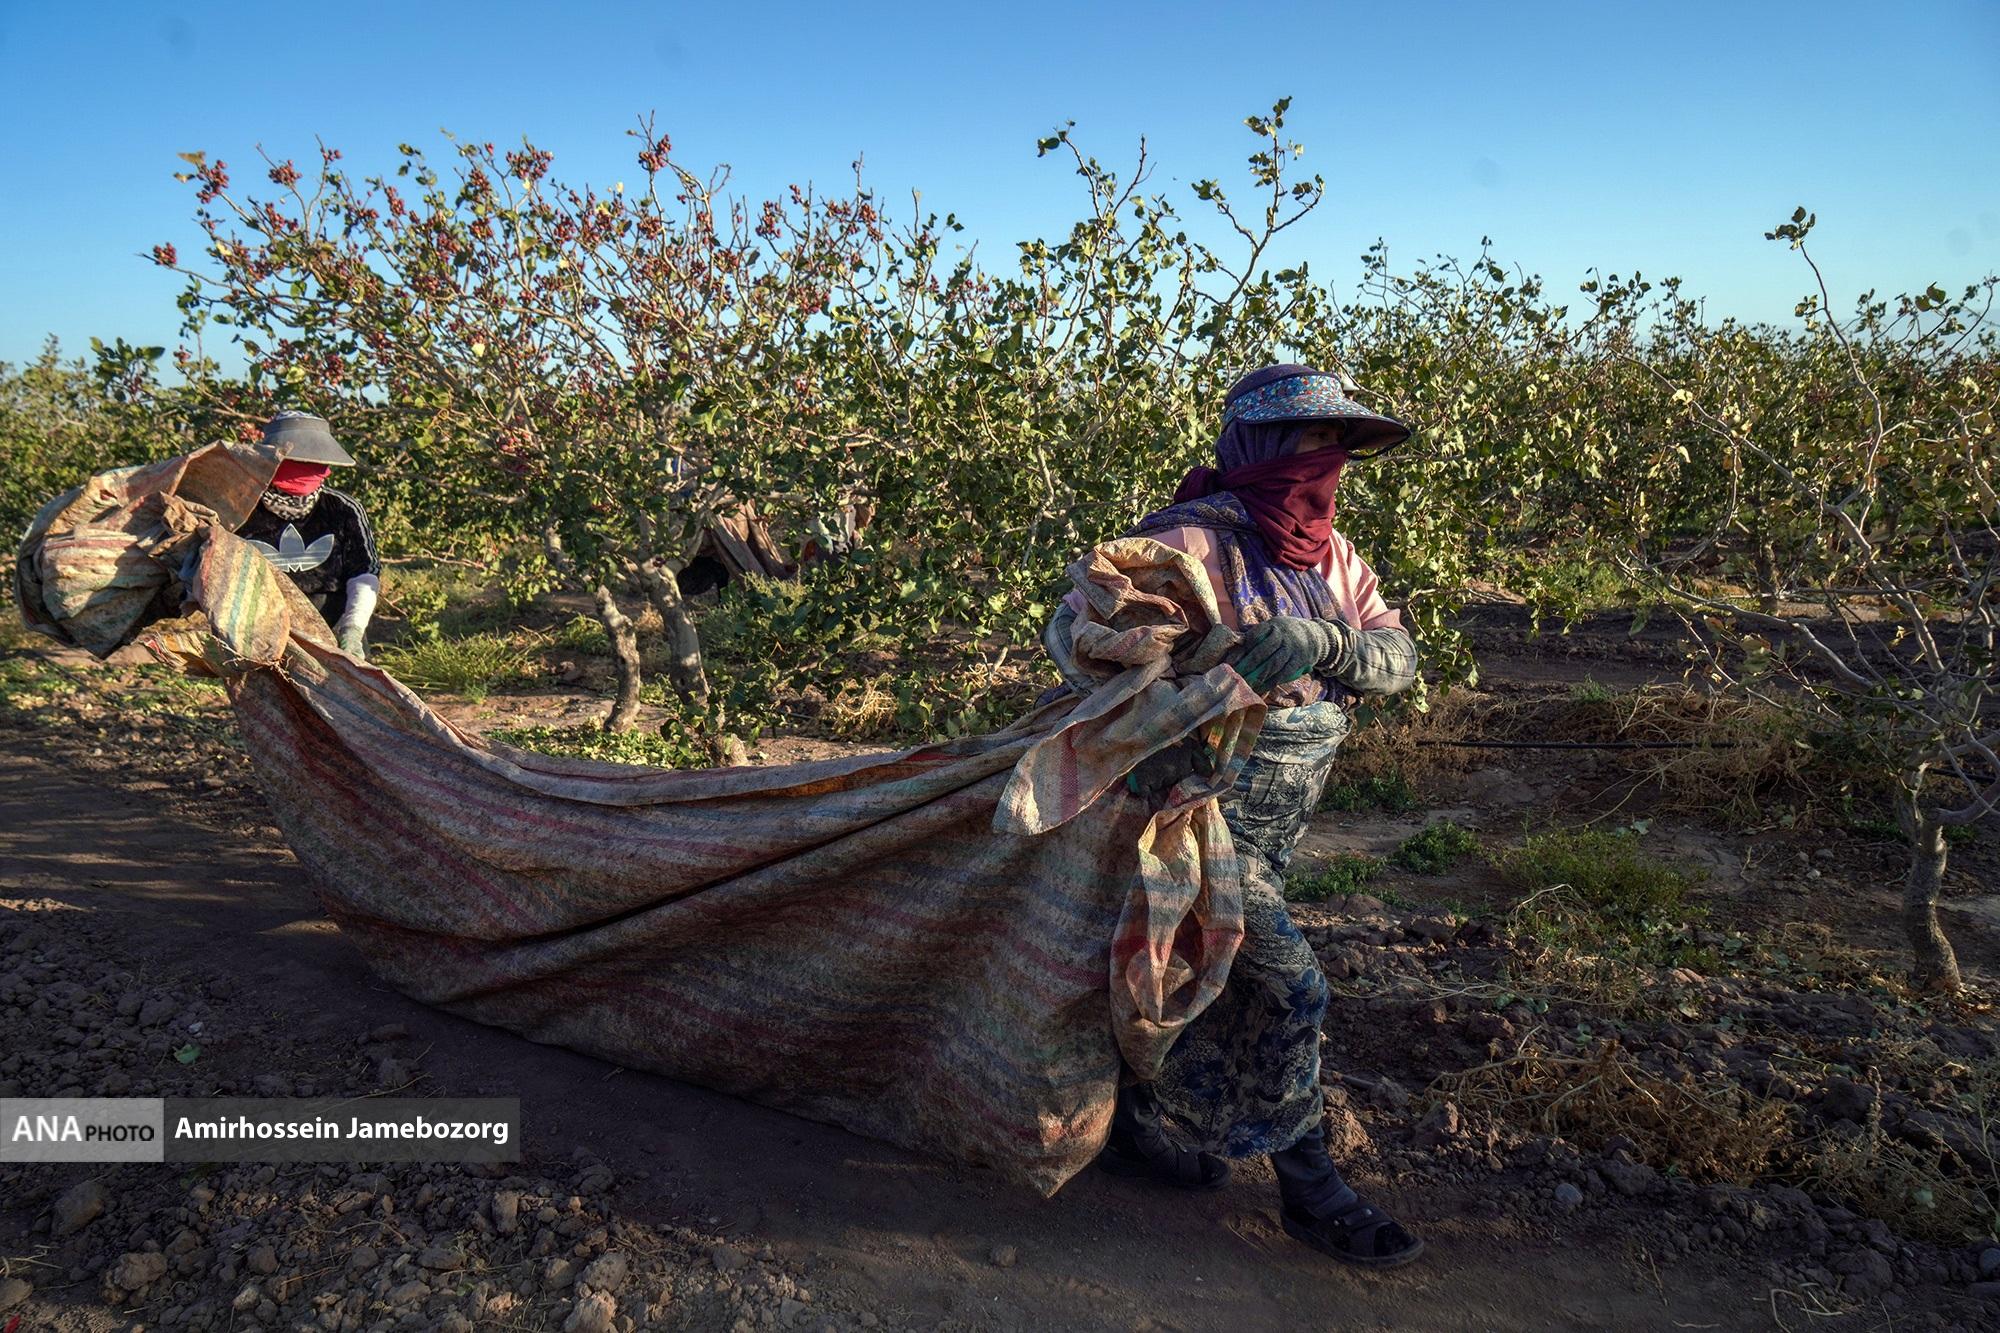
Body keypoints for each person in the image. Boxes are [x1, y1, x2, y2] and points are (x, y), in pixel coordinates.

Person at [1042, 364, 1425, 1268]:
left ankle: (1139, 1127)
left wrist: (1327, 642)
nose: (1324, 465)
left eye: (1336, 447)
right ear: (1258, 447)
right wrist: (1170, 678)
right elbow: (1075, 635)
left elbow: (1399, 656)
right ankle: (1312, 1191)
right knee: (1292, 986)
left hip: (1279, 825)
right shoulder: (1182, 541)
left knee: (1199, 974)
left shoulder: (1331, 558)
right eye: (1309, 442)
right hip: (1195, 819)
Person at [237, 410, 380, 658]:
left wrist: (352, 630)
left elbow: (364, 573)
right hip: (262, 631)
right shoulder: (241, 507)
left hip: (332, 628)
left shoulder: (343, 509)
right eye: (296, 463)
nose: (303, 471)